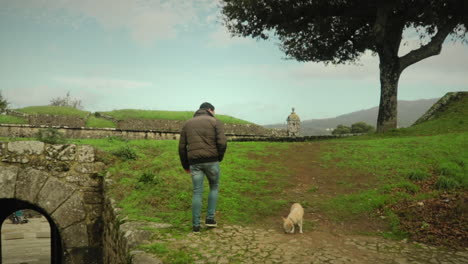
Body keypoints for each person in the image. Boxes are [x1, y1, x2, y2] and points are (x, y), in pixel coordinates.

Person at [178, 102, 227, 232]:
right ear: (210, 110)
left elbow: (182, 148)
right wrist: (219, 157)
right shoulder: (216, 122)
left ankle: (196, 225)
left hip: (194, 163)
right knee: (214, 187)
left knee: (197, 192)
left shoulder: (188, 124)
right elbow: (222, 142)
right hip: (212, 161)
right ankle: (210, 219)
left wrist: (185, 165)